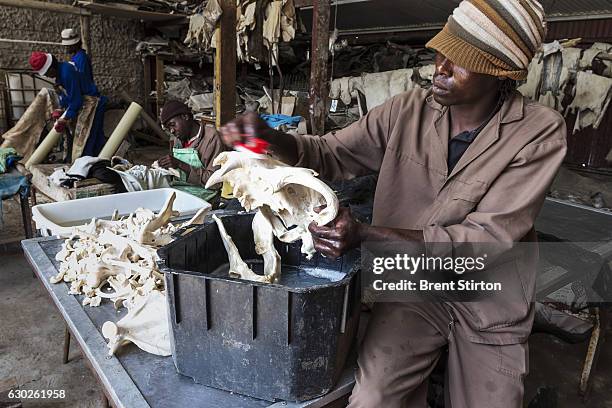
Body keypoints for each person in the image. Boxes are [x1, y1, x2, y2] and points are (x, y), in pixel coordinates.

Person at [218, 0, 567, 406]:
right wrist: (274, 140)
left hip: (488, 295)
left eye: (460, 62)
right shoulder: (408, 109)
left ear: (500, 71)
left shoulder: (538, 133)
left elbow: (483, 241)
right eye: (441, 52)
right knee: (373, 397)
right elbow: (331, 154)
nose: (441, 67)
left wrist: (366, 235)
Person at [29, 51, 105, 159]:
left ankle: (93, 165)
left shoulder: (66, 73)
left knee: (87, 139)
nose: (47, 76)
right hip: (86, 102)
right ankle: (94, 163)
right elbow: (70, 98)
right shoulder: (61, 74)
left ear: (51, 69)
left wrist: (65, 118)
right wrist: (60, 99)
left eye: (46, 73)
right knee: (89, 138)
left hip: (93, 102)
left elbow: (76, 100)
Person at [157, 100, 227, 187]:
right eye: (168, 128)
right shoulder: (178, 138)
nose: (171, 131)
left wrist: (180, 164)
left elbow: (216, 182)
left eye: (173, 124)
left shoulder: (211, 138)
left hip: (205, 193)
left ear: (185, 116)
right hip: (181, 187)